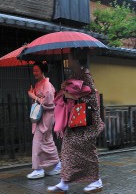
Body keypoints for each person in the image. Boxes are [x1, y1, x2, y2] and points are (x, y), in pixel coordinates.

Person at [47, 56, 105, 193]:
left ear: (78, 61)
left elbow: (91, 99)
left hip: (87, 122)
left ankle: (96, 181)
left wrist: (70, 95)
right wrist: (64, 89)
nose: (69, 61)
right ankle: (64, 182)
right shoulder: (75, 76)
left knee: (86, 150)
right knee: (67, 147)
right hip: (77, 120)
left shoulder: (86, 76)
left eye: (71, 58)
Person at [27, 61, 61, 179]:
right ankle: (56, 164)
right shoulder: (38, 84)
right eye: (33, 71)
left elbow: (49, 103)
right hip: (42, 117)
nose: (34, 73)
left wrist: (33, 96)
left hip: (46, 117)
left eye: (36, 70)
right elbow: (40, 101)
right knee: (47, 142)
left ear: (42, 71)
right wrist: (34, 93)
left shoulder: (47, 85)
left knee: (38, 141)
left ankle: (38, 169)